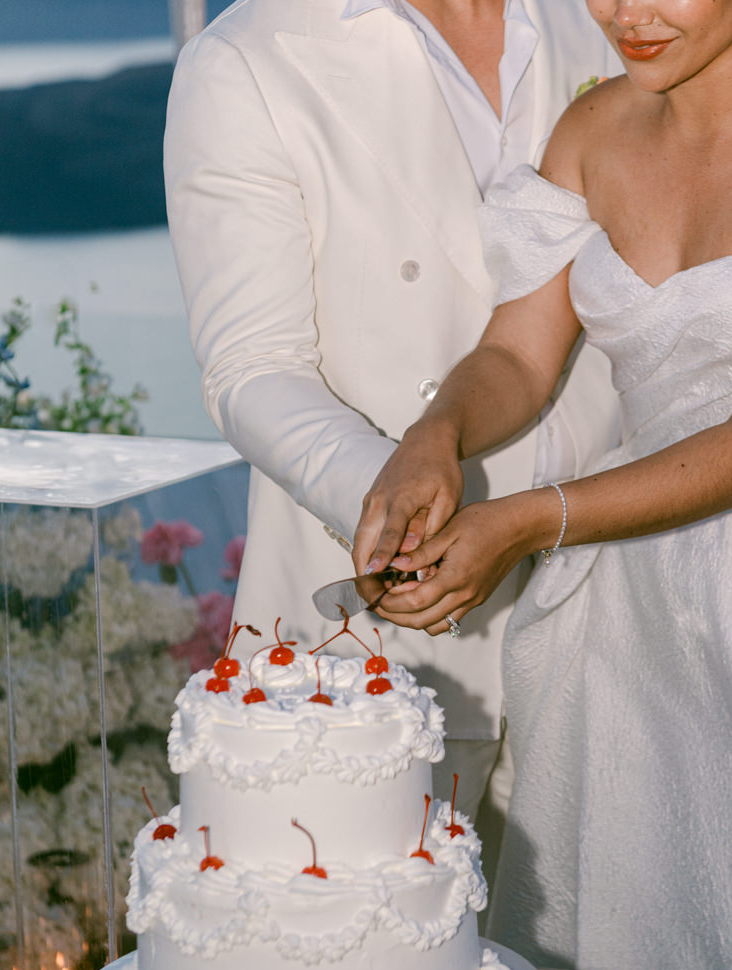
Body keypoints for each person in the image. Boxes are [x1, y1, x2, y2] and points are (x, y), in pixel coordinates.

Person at [353, 0, 732, 970]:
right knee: (624, 940)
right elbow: (519, 355)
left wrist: (531, 519)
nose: (628, 15)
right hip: (624, 625)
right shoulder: (593, 133)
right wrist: (436, 434)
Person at [163, 0, 619, 884]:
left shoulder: (619, 13)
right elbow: (253, 366)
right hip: (381, 649)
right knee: (369, 953)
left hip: (613, 600)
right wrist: (398, 504)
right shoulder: (246, 58)